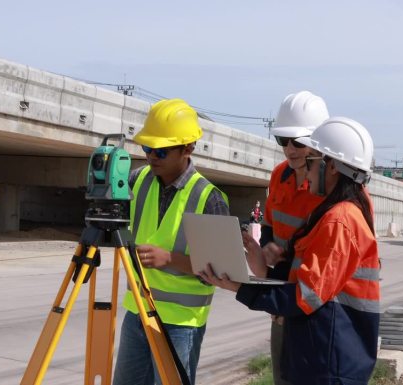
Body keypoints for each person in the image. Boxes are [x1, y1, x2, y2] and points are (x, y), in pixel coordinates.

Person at [201, 117, 380, 384]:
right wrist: (263, 271)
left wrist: (239, 287)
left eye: (311, 163)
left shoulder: (340, 221)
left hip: (329, 362)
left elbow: (304, 296)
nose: (305, 173)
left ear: (331, 167)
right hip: (320, 351)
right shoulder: (335, 215)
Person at [113, 98, 230, 385]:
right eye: (147, 148)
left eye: (161, 151)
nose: (152, 156)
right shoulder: (137, 180)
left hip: (181, 322)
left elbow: (223, 272)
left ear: (187, 148)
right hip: (137, 311)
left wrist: (170, 259)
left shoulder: (208, 198)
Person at [242, 90, 329, 385]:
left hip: (319, 306)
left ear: (318, 142)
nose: (290, 149)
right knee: (284, 377)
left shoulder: (334, 189)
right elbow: (271, 225)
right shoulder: (279, 175)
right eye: (283, 141)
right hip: (284, 299)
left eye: (298, 143)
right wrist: (267, 249)